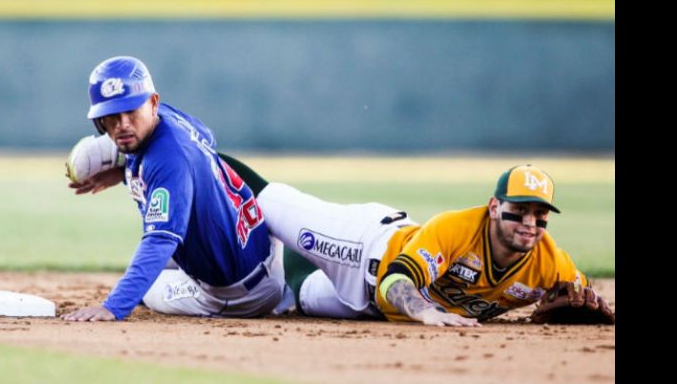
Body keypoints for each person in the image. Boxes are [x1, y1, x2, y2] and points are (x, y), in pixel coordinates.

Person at [222, 159, 610, 327]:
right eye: (519, 209)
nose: (530, 222)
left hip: (368, 310)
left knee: (297, 296)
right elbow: (395, 281)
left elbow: (582, 295)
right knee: (271, 203)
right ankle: (197, 154)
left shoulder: (551, 263)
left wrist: (582, 306)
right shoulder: (458, 229)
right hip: (365, 247)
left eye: (540, 214)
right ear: (494, 207)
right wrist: (425, 312)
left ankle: (273, 249)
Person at [61, 56, 285, 322]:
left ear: (152, 103)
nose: (122, 125)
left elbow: (159, 241)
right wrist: (123, 171)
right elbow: (206, 137)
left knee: (148, 286)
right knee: (160, 258)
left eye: (131, 111)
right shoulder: (168, 117)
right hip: (261, 251)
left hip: (239, 295)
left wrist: (113, 307)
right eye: (111, 117)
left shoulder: (170, 160)